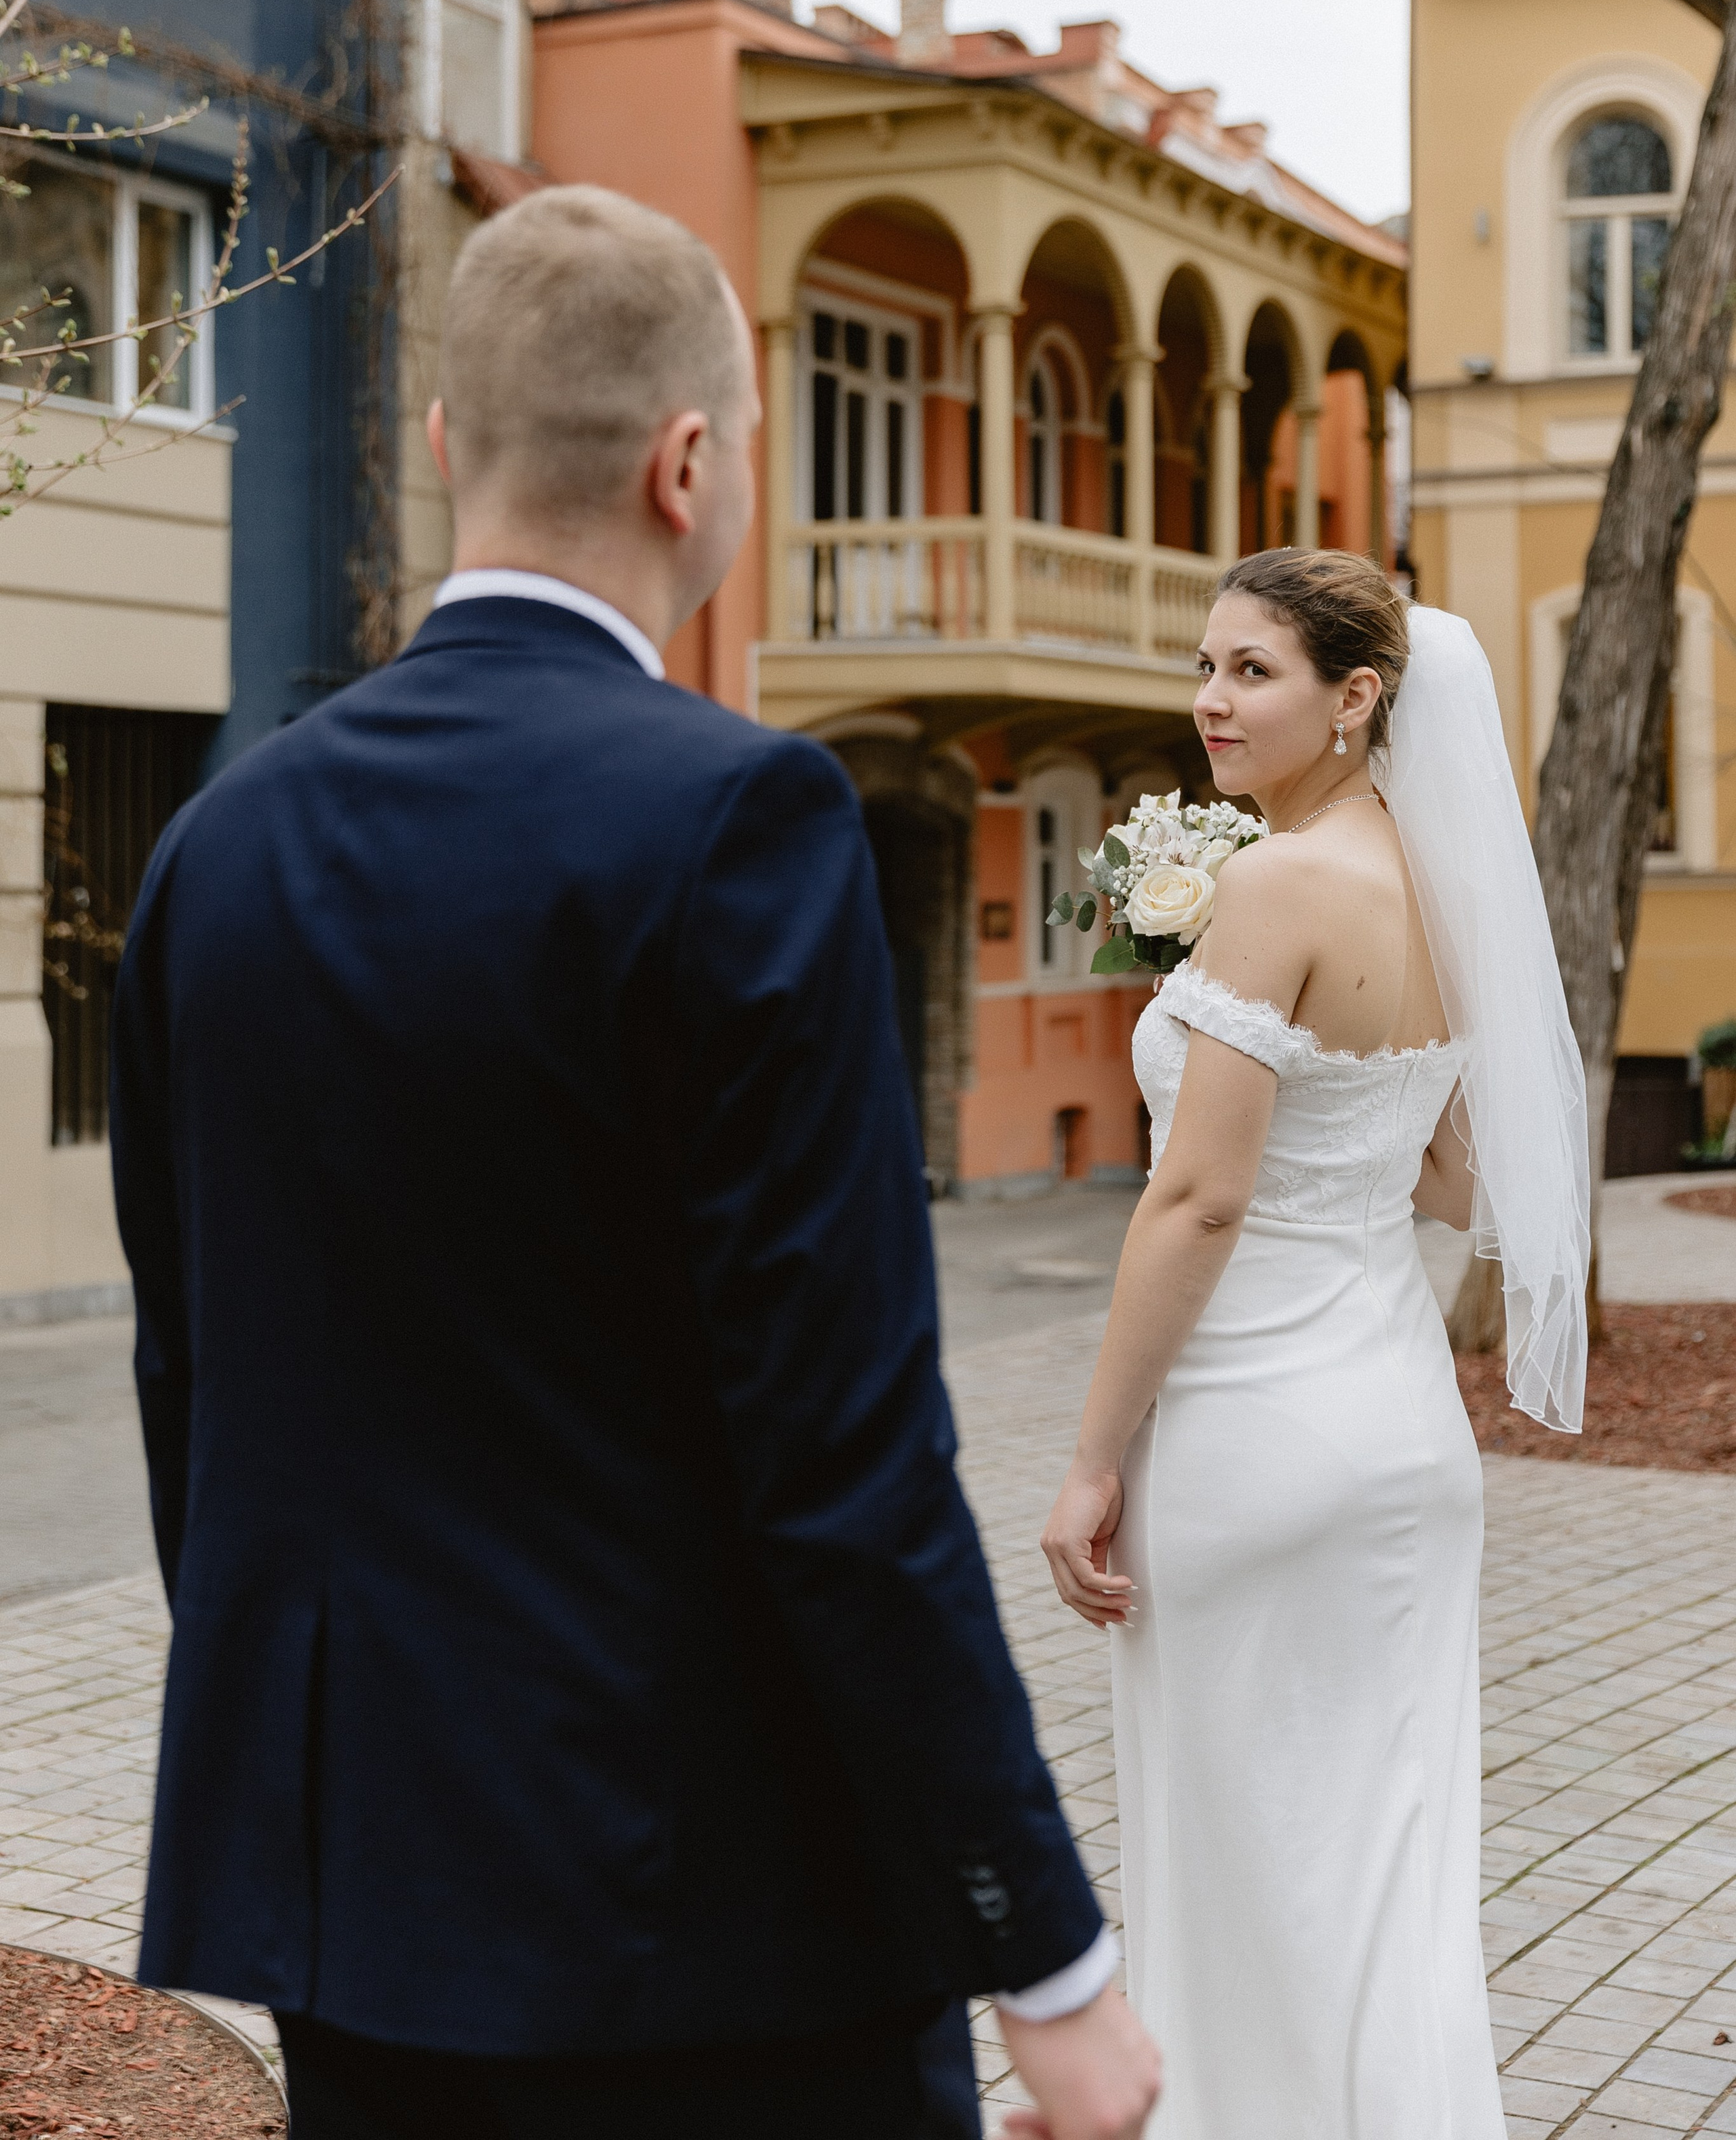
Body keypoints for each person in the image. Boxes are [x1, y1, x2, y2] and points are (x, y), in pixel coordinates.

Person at [110, 185, 1161, 2140]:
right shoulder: (742, 820)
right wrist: (1051, 1954)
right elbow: (846, 1466)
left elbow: (199, 1410)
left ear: (446, 448)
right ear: (692, 467)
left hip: (362, 1919)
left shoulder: (215, 853)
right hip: (713, 1937)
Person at [1039, 548, 1590, 2139]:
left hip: (1251, 1436)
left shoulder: (1276, 889)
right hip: (1401, 1442)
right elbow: (1438, 1171)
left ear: (1354, 699)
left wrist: (1086, 1461)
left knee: (1239, 1867)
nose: (1209, 698)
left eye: (1250, 671)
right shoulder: (1433, 883)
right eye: (1204, 665)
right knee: (1378, 1876)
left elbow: (1196, 1203)